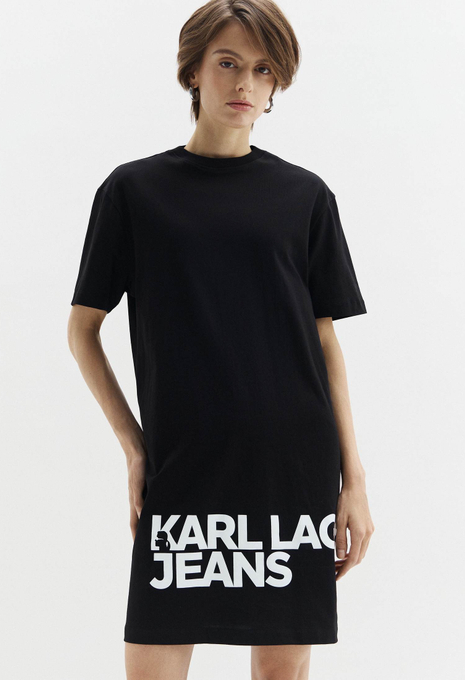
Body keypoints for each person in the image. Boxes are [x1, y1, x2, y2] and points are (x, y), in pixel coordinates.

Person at [67, 1, 375, 678]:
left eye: (263, 70)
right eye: (228, 63)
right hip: (183, 465)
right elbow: (82, 329)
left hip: (290, 466)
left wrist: (352, 481)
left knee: (281, 670)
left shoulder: (304, 196)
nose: (244, 83)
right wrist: (134, 447)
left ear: (276, 85)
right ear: (193, 72)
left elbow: (324, 343)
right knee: (153, 661)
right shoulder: (133, 191)